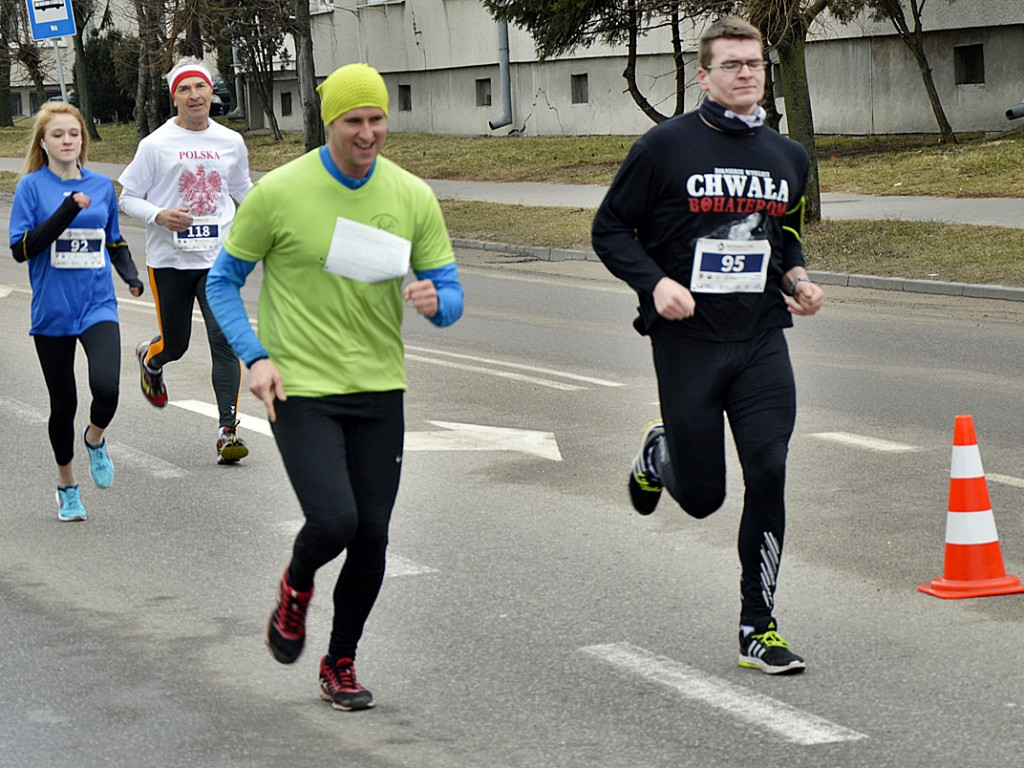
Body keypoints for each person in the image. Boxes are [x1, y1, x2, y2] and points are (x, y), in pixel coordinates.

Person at [206, 62, 464, 711]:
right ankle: (295, 589)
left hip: (379, 388)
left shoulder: (411, 195)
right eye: (355, 120)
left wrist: (439, 301)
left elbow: (453, 293)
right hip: (300, 386)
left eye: (378, 119)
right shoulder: (281, 192)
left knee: (372, 536)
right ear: (330, 123)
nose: (369, 132)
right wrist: (255, 357)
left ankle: (340, 662)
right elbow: (221, 282)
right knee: (336, 519)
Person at [591, 16, 825, 675]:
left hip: (759, 339)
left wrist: (799, 279)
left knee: (770, 473)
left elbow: (784, 236)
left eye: (755, 64)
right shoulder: (665, 148)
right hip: (688, 342)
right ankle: (659, 450)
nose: (747, 73)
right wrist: (655, 282)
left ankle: (759, 626)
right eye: (732, 65)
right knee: (702, 498)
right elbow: (610, 230)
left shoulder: (789, 157)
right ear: (705, 75)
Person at [9, 101, 144, 522]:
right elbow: (21, 249)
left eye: (74, 134)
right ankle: (67, 485)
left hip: (97, 304)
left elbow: (114, 240)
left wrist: (130, 274)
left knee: (107, 388)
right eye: (58, 135)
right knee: (62, 404)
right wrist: (69, 208)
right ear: (43, 143)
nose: (68, 141)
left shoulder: (102, 185)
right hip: (52, 310)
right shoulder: (31, 187)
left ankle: (96, 438)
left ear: (82, 139)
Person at [118, 56, 254, 464]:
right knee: (175, 344)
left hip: (219, 259)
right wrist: (158, 215)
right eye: (185, 89)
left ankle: (228, 431)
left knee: (225, 341)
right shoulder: (155, 144)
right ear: (174, 96)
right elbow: (126, 198)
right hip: (170, 261)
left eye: (201, 88)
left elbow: (242, 188)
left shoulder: (231, 142)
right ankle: (151, 357)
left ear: (212, 93)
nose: (194, 96)